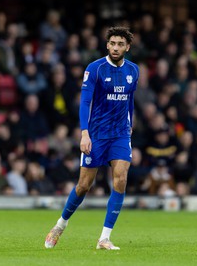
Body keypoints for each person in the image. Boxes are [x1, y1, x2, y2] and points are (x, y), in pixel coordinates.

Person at [44, 27, 138, 250]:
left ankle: (104, 238)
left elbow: (130, 100)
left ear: (127, 47)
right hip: (96, 135)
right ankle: (60, 225)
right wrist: (85, 133)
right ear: (107, 45)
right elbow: (85, 102)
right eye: (112, 43)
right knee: (84, 185)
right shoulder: (95, 69)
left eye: (120, 44)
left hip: (120, 134)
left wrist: (130, 123)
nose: (116, 47)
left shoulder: (134, 70)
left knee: (121, 178)